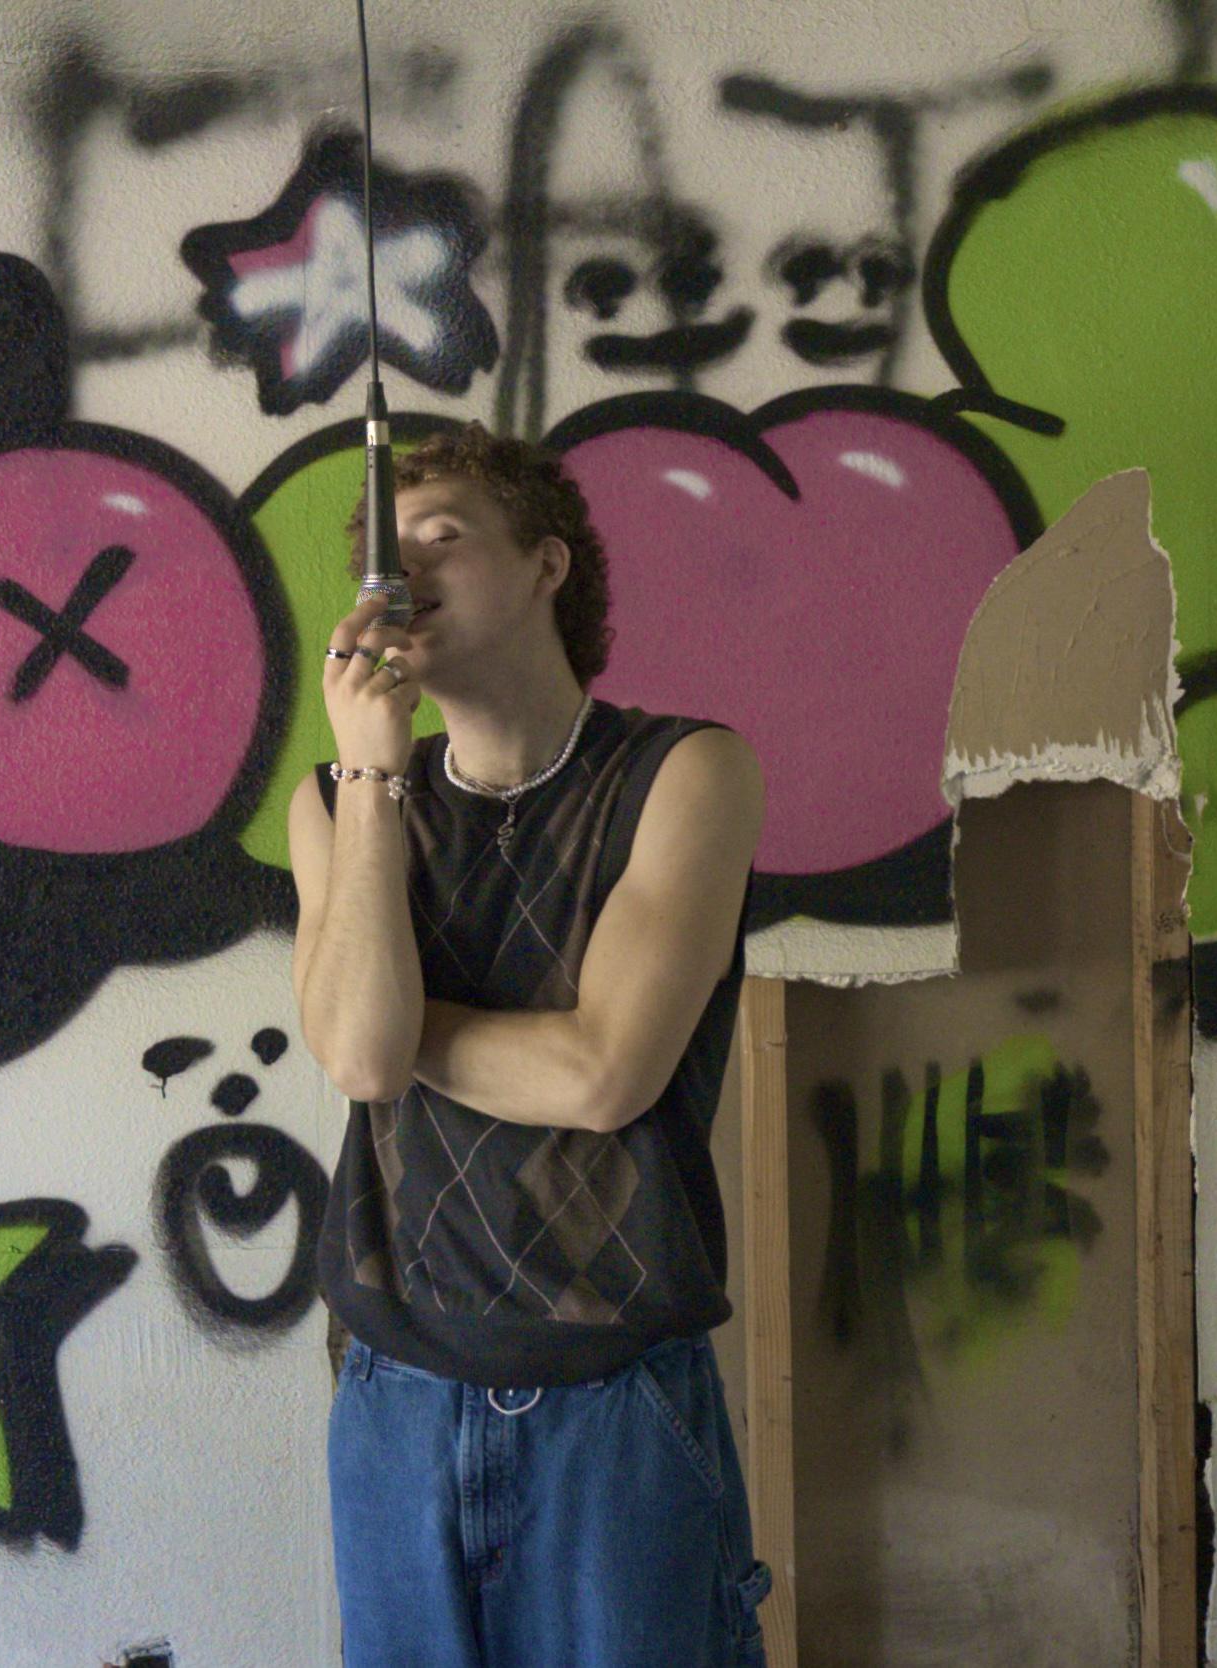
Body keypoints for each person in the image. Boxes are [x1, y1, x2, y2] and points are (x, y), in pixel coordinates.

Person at [288, 421, 773, 1668]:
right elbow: (358, 1060)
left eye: (440, 538)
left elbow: (604, 1075)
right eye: (381, 556)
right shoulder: (333, 802)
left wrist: (399, 1021)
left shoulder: (685, 772)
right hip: (393, 1402)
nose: (398, 577)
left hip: (611, 1408)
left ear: (547, 563)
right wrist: (373, 779)